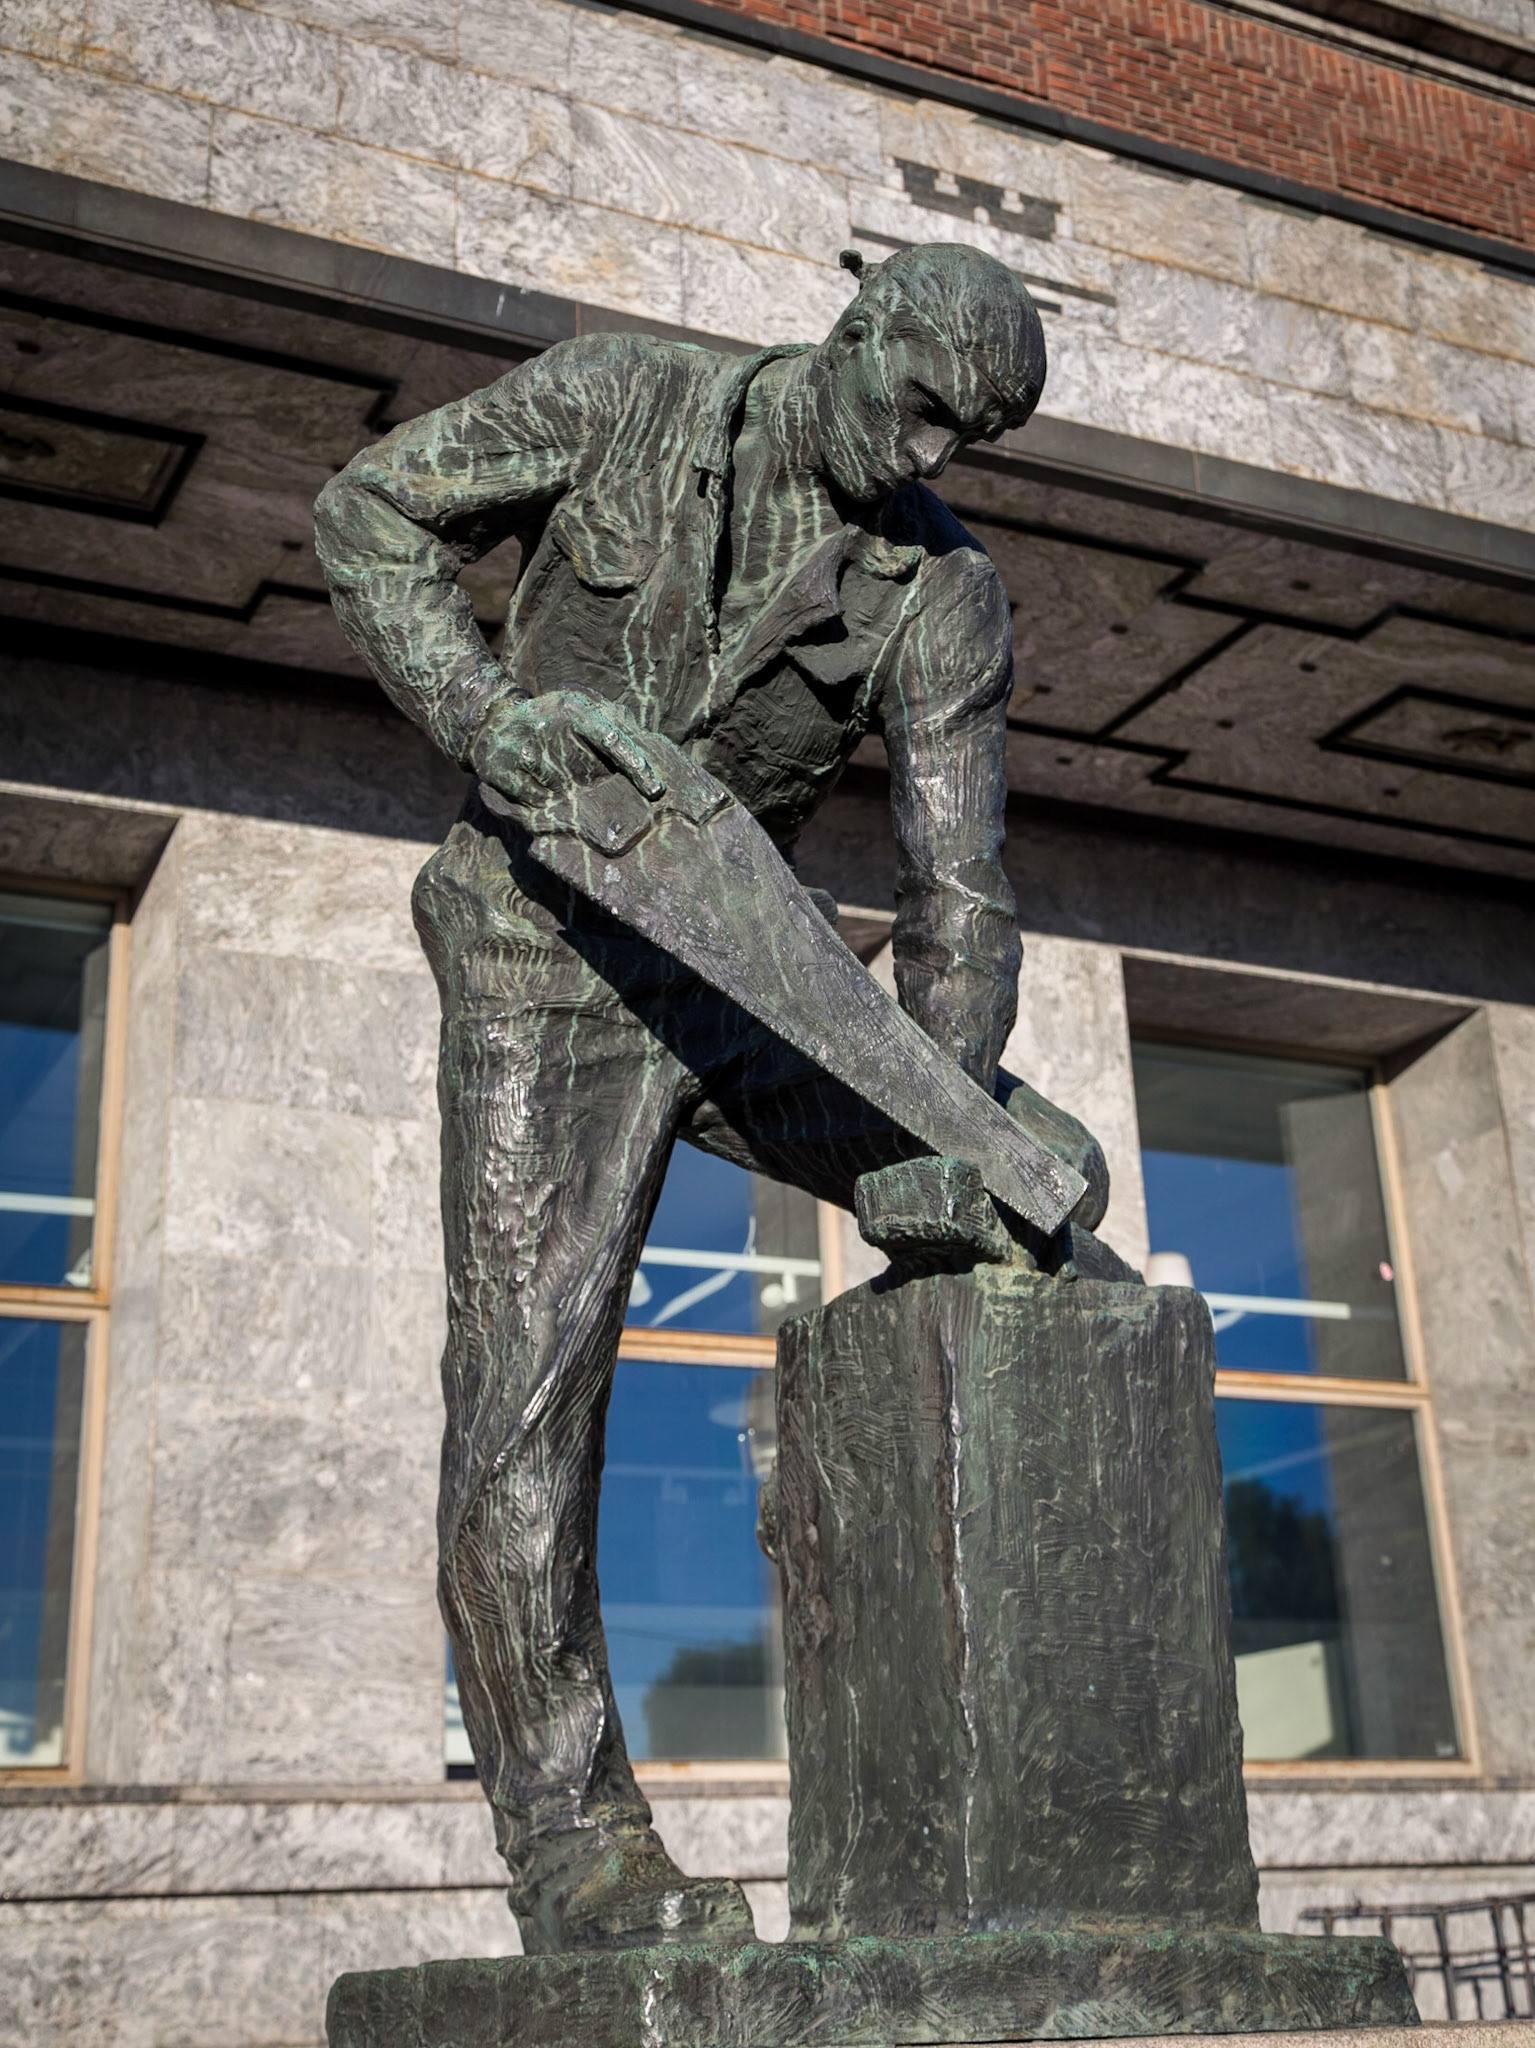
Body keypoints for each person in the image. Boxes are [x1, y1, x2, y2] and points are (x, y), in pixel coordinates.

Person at [315, 242, 1105, 1954]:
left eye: (968, 441)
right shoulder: (620, 396)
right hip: (546, 950)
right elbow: (368, 512)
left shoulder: (942, 593)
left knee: (1048, 1189)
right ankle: (575, 1847)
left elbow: (958, 899)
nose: (931, 462)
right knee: (528, 1388)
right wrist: (484, 712)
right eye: (917, 412)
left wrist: (946, 1120)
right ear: (853, 332)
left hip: (745, 982)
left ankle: (997, 1828)